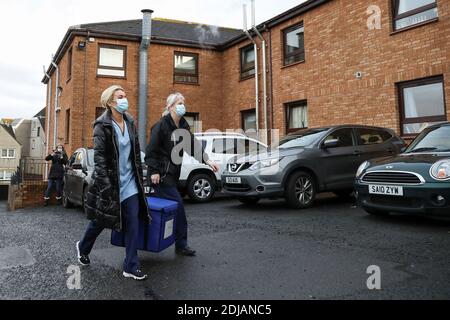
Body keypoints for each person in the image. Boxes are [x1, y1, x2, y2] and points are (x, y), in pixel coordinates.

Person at [76, 85, 151, 281]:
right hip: (111, 184)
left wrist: (141, 177)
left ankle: (131, 265)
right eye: (120, 97)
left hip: (131, 183)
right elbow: (99, 160)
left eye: (125, 96)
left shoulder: (130, 121)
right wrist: (107, 186)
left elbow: (135, 152)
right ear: (110, 102)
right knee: (100, 221)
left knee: (133, 222)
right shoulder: (101, 125)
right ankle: (83, 246)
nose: (125, 99)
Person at [145, 92, 220, 257]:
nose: (182, 106)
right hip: (161, 177)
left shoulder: (184, 126)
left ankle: (162, 241)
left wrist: (208, 161)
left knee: (166, 211)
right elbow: (152, 151)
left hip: (172, 176)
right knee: (178, 207)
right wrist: (154, 171)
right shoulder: (161, 126)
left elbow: (193, 147)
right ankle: (181, 245)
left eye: (183, 103)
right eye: (179, 103)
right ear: (170, 107)